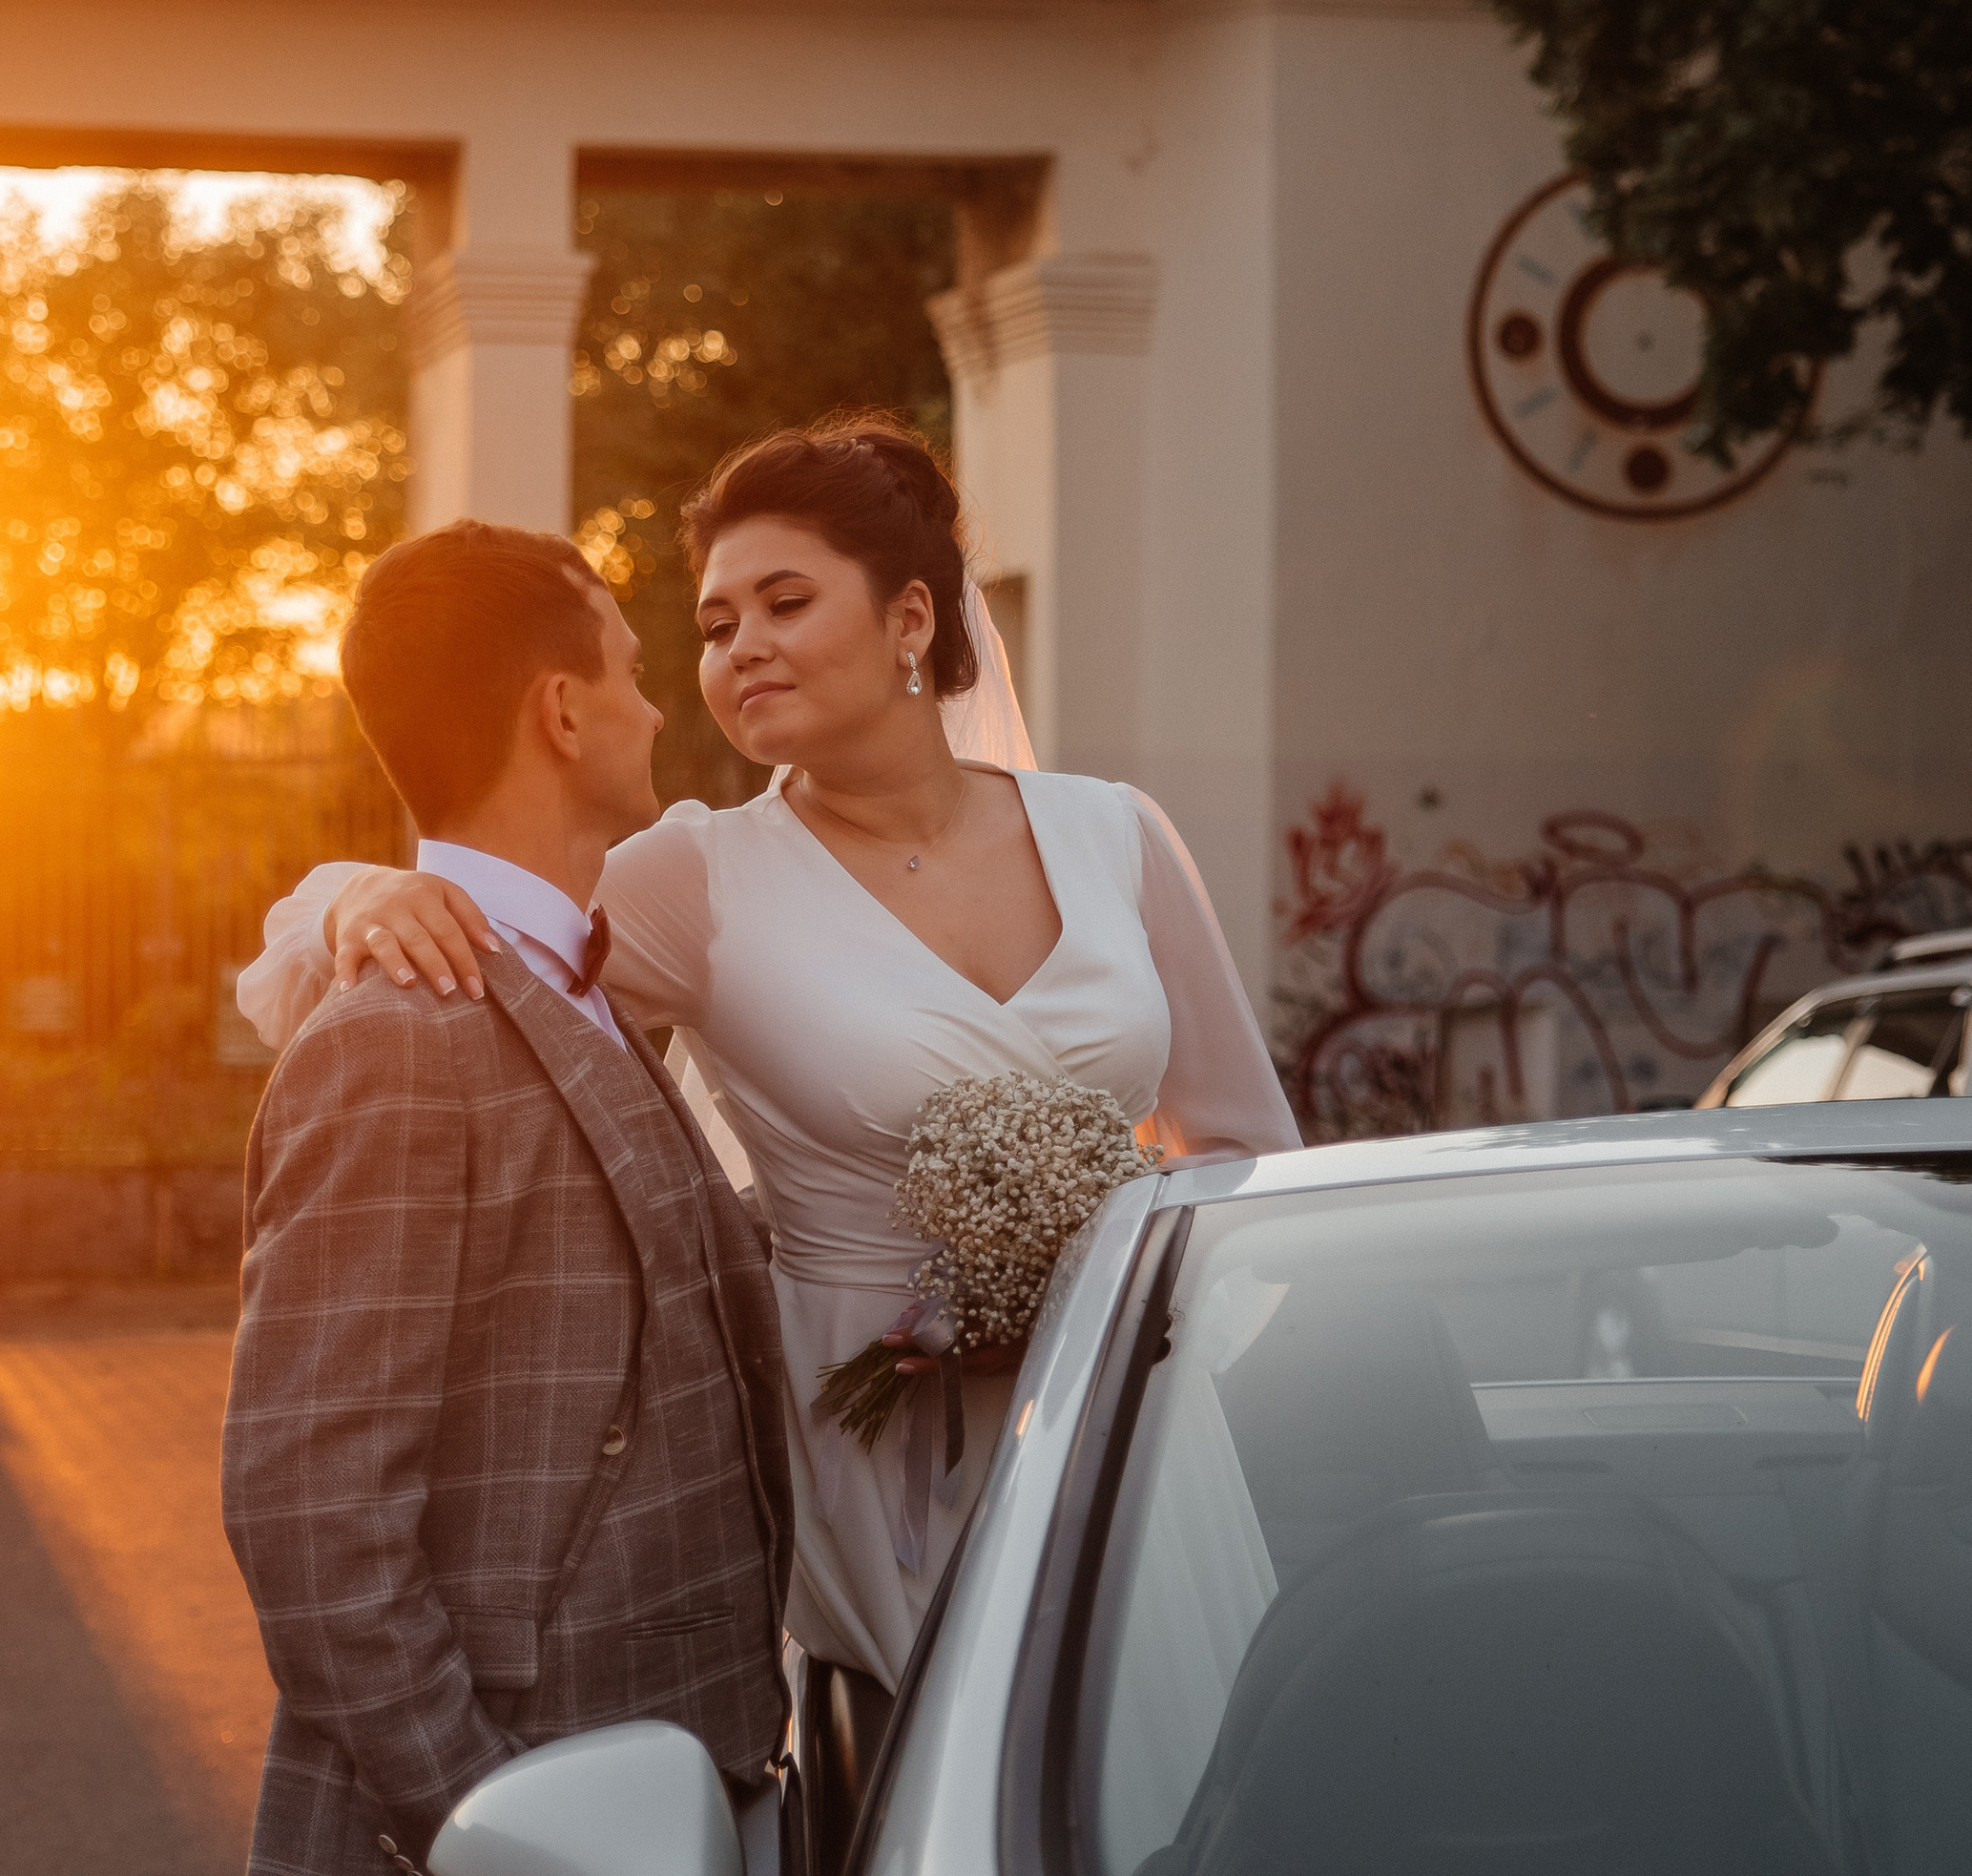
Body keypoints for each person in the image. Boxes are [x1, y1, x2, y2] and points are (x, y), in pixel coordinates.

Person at [239, 418, 1298, 1852]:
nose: (740, 648)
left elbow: (1243, 1160)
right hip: (881, 1453)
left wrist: (1132, 1303)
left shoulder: (1115, 832)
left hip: (1131, 1416)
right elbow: (476, 960)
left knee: (1211, 1792)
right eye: (715, 624)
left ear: (911, 619)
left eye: (785, 603)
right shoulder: (693, 876)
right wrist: (350, 897)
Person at [220, 520, 793, 1876]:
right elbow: (312, 1516)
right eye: (635, 672)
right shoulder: (397, 1041)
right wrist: (486, 1821)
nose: (660, 709)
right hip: (529, 1812)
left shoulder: (577, 982)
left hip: (683, 1765)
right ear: (562, 713)